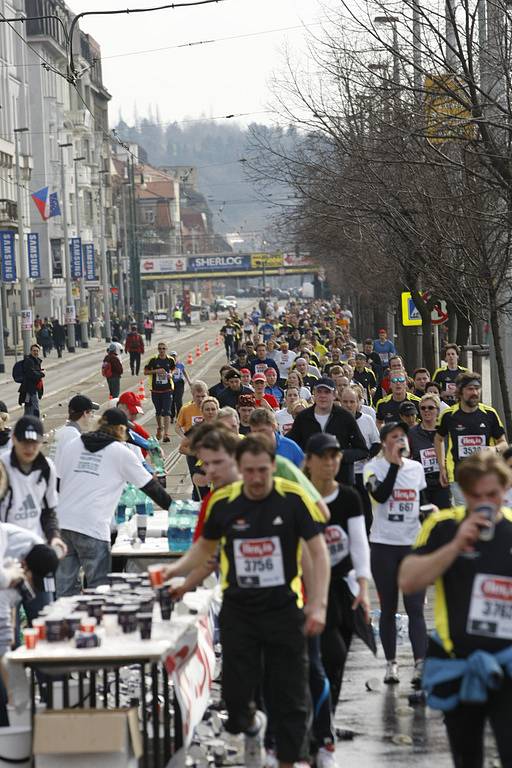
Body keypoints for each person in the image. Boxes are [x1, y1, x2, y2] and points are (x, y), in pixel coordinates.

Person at [162, 434, 330, 768]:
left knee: (291, 695)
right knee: (236, 704)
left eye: (262, 471)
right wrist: (175, 571)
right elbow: (204, 550)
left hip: (283, 609)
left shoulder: (292, 500)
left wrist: (318, 604)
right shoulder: (224, 503)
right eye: (249, 471)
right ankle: (253, 725)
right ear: (241, 468)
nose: (255, 479)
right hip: (240, 611)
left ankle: (287, 760)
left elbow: (317, 552)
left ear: (273, 467)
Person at [399, 451, 512, 768]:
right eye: (476, 496)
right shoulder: (443, 525)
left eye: (492, 494)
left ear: (505, 491)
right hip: (457, 661)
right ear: (464, 494)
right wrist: (455, 547)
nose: (485, 502)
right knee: (467, 758)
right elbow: (408, 581)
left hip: (508, 661)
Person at [56, 408, 172, 595]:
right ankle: (96, 621)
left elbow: (57, 483)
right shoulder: (120, 452)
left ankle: (65, 621)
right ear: (120, 429)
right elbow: (150, 487)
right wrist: (174, 509)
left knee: (65, 588)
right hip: (92, 525)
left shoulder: (73, 444)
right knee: (99, 588)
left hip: (63, 524)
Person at [305, 433, 371, 724]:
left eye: (335, 456)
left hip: (344, 585)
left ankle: (326, 716)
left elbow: (358, 543)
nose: (330, 462)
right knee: (331, 652)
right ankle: (318, 717)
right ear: (309, 461)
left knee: (341, 657)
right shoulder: (301, 497)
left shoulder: (348, 497)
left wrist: (364, 587)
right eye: (323, 457)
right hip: (313, 587)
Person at [364, 421, 428, 685]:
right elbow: (379, 496)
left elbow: (422, 503)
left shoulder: (416, 469)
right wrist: (393, 466)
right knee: (389, 608)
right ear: (383, 442)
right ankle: (391, 664)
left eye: (403, 436)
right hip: (383, 545)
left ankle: (420, 665)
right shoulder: (372, 467)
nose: (400, 440)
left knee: (415, 608)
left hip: (412, 545)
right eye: (394, 437)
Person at [0, 416, 66, 618]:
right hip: (7, 556)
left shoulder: (46, 468)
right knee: (8, 628)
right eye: (24, 443)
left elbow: (49, 511)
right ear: (14, 439)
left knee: (45, 618)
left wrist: (54, 536)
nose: (29, 449)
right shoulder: (2, 467)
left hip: (37, 554)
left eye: (34, 443)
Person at [435, 372, 507, 506]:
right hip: (458, 476)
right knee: (465, 516)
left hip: (485, 474)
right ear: (460, 392)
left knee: (485, 514)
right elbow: (438, 439)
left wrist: (494, 449)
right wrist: (442, 467)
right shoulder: (449, 415)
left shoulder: (489, 413)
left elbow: (504, 444)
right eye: (470, 389)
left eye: (477, 388)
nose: (474, 392)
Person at [288, 377, 368, 485]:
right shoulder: (303, 417)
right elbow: (291, 444)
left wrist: (339, 456)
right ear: (314, 394)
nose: (322, 396)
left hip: (341, 482)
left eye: (327, 392)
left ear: (334, 395)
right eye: (319, 391)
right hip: (311, 482)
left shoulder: (345, 417)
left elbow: (362, 450)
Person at [340, 385, 381, 533]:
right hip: (344, 472)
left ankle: (367, 538)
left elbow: (377, 443)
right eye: (345, 402)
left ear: (358, 402)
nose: (349, 405)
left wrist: (367, 456)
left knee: (366, 509)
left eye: (352, 402)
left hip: (364, 472)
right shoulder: (335, 420)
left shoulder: (367, 419)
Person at [408, 394, 451, 509]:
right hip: (421, 482)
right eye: (423, 408)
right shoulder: (411, 433)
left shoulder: (446, 432)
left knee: (443, 520)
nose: (426, 410)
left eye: (430, 408)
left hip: (442, 481)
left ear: (437, 410)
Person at [53, 395, 100, 479]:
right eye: (91, 412)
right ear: (85, 413)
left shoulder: (62, 431)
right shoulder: (74, 436)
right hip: (63, 482)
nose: (92, 416)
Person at [143, 341, 176, 441]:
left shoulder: (170, 360)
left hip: (167, 389)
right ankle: (160, 428)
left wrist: (171, 374)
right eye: (160, 349)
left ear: (166, 349)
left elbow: (173, 369)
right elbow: (145, 372)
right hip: (156, 390)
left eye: (163, 348)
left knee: (167, 412)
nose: (161, 350)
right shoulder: (153, 360)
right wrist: (155, 371)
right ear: (158, 350)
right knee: (158, 411)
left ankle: (166, 434)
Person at [19, 343, 44, 418]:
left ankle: (24, 423)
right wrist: (41, 373)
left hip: (33, 388)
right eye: (34, 351)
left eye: (37, 351)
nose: (36, 352)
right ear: (31, 351)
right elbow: (32, 374)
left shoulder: (36, 361)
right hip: (30, 389)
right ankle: (37, 423)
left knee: (28, 407)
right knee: (34, 407)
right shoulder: (29, 361)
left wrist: (40, 373)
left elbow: (35, 372)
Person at [170, 350, 191, 422]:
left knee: (178, 400)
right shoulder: (168, 365)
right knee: (171, 401)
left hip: (179, 383)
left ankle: (179, 416)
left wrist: (189, 381)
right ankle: (172, 416)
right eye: (172, 356)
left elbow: (185, 372)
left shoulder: (180, 364)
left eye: (174, 356)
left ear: (176, 357)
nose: (173, 358)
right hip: (171, 383)